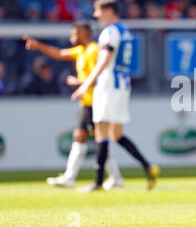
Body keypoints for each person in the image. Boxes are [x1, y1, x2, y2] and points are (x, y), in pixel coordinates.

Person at [71, 0, 160, 192]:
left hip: (109, 84)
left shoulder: (109, 32)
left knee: (100, 131)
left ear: (108, 11)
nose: (95, 14)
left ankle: (98, 182)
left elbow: (104, 60)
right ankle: (148, 167)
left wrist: (86, 84)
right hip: (123, 84)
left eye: (97, 10)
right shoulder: (125, 31)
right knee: (116, 134)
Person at [23, 22, 124, 189]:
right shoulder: (81, 50)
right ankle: (108, 177)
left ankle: (99, 177)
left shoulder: (94, 50)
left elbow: (100, 77)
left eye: (73, 34)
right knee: (84, 136)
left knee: (97, 139)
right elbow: (59, 53)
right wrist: (38, 45)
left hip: (95, 100)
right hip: (87, 101)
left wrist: (79, 82)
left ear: (83, 34)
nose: (71, 38)